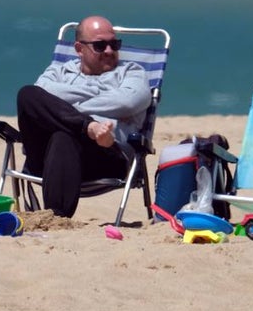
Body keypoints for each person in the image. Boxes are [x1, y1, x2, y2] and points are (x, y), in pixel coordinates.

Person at [15, 15, 152, 217]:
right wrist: (96, 114)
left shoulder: (132, 72)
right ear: (79, 49)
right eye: (100, 45)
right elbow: (39, 91)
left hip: (105, 155)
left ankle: (57, 217)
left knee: (63, 135)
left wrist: (64, 106)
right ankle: (88, 127)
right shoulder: (59, 71)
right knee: (27, 94)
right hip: (46, 158)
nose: (109, 51)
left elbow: (127, 101)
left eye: (114, 44)